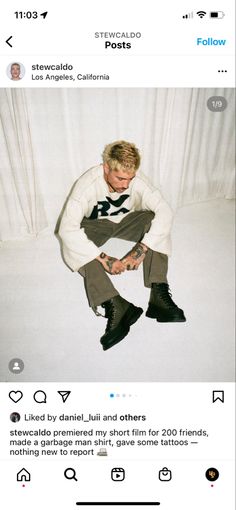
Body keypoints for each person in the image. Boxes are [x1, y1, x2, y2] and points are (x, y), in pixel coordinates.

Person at [59, 140, 186, 351]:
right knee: (73, 244)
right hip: (95, 226)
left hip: (128, 221)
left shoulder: (138, 181)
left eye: (130, 178)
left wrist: (141, 249)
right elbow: (66, 229)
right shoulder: (86, 185)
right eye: (119, 178)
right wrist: (103, 258)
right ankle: (114, 303)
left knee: (155, 221)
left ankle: (159, 294)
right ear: (106, 168)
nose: (126, 185)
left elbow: (165, 211)